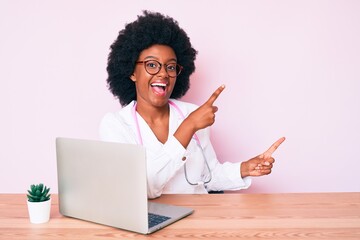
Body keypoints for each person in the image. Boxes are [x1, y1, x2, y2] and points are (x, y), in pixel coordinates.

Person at [99, 11, 285, 199]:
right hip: (152, 222)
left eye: (170, 66)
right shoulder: (116, 125)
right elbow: (142, 190)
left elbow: (208, 177)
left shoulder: (192, 113)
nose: (163, 73)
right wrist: (188, 127)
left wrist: (244, 169)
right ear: (132, 72)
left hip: (198, 217)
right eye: (152, 65)